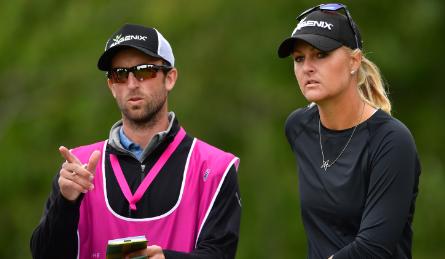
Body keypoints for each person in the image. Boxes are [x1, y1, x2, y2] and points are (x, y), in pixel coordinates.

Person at [30, 23, 241, 259]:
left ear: (170, 78)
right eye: (119, 74)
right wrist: (65, 204)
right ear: (111, 86)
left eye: (144, 71)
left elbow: (220, 253)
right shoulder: (78, 167)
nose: (131, 84)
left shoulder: (214, 168)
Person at [277, 3, 421, 259]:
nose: (307, 67)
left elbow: (373, 249)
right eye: (299, 59)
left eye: (320, 54)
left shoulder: (392, 142)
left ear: (354, 61)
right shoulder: (299, 128)